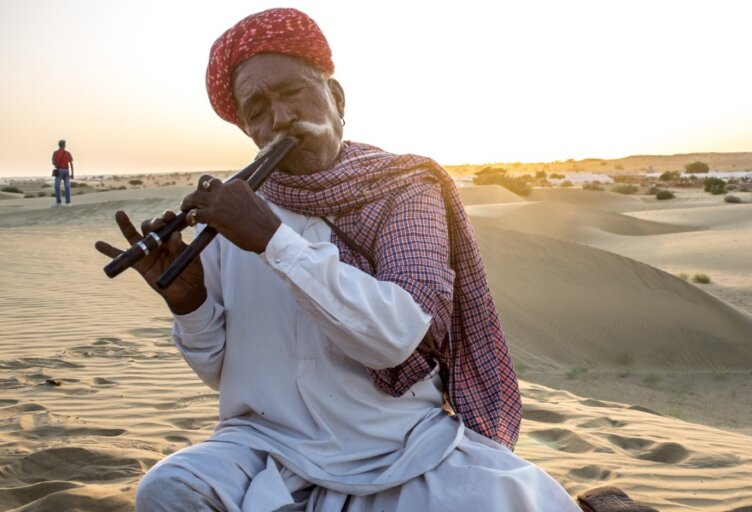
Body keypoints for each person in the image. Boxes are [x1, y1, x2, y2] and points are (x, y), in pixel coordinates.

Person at [95, 8, 578, 511]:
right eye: (256, 108)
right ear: (248, 130)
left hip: (399, 446)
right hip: (263, 449)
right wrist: (189, 302)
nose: (280, 117)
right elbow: (223, 372)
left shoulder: (404, 191)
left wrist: (271, 239)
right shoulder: (230, 213)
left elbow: (396, 336)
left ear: (336, 98)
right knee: (168, 489)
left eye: (292, 92)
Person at [51, 139, 74, 207]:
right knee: (67, 186)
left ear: (59, 145)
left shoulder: (55, 153)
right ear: (64, 145)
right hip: (67, 171)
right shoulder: (67, 153)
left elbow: (53, 162)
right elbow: (71, 164)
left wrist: (56, 165)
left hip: (59, 170)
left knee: (57, 186)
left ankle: (58, 203)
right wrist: (72, 173)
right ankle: (68, 202)